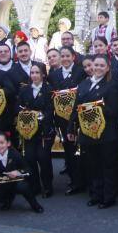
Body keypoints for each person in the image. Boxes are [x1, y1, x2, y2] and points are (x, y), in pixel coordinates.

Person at [70, 55, 118, 209]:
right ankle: (96, 195)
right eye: (95, 65)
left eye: (101, 65)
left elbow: (114, 110)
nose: (97, 68)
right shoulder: (84, 84)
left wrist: (97, 107)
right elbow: (76, 107)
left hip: (106, 132)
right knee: (93, 165)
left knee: (107, 166)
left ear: (107, 68)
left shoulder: (111, 85)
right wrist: (71, 127)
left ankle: (108, 197)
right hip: (87, 132)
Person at [48, 46, 86, 195]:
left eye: (67, 56)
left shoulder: (80, 72)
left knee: (81, 150)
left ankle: (84, 180)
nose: (64, 59)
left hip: (79, 117)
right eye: (62, 56)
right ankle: (74, 180)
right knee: (69, 150)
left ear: (73, 57)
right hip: (62, 119)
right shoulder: (54, 75)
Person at [16, 62, 55, 197]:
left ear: (43, 74)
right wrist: (23, 112)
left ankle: (48, 186)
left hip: (44, 130)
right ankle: (35, 186)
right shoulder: (24, 90)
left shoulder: (49, 90)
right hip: (28, 129)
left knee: (43, 158)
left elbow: (51, 110)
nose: (34, 75)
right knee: (30, 158)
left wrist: (38, 115)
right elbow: (18, 106)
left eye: (37, 72)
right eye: (32, 73)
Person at [0, 131, 44, 213]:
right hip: (1, 184)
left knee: (23, 186)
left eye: (2, 143)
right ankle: (8, 199)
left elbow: (28, 169)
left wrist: (18, 172)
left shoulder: (15, 154)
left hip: (15, 183)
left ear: (8, 143)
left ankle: (35, 204)